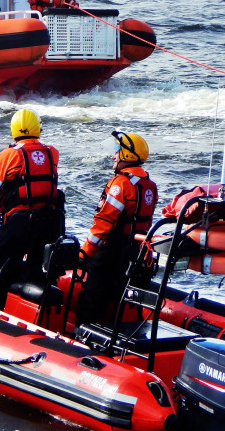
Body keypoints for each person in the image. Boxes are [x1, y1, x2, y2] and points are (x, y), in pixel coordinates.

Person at [0, 108, 62, 307]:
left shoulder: (9, 155)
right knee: (35, 269)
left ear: (14, 130)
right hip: (48, 223)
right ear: (38, 128)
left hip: (20, 223)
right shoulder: (52, 152)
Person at [76, 131, 157, 328]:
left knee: (91, 296)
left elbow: (103, 224)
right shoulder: (149, 186)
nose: (113, 156)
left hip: (112, 253)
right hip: (136, 253)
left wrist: (84, 253)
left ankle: (81, 335)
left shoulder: (120, 184)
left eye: (116, 151)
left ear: (127, 155)